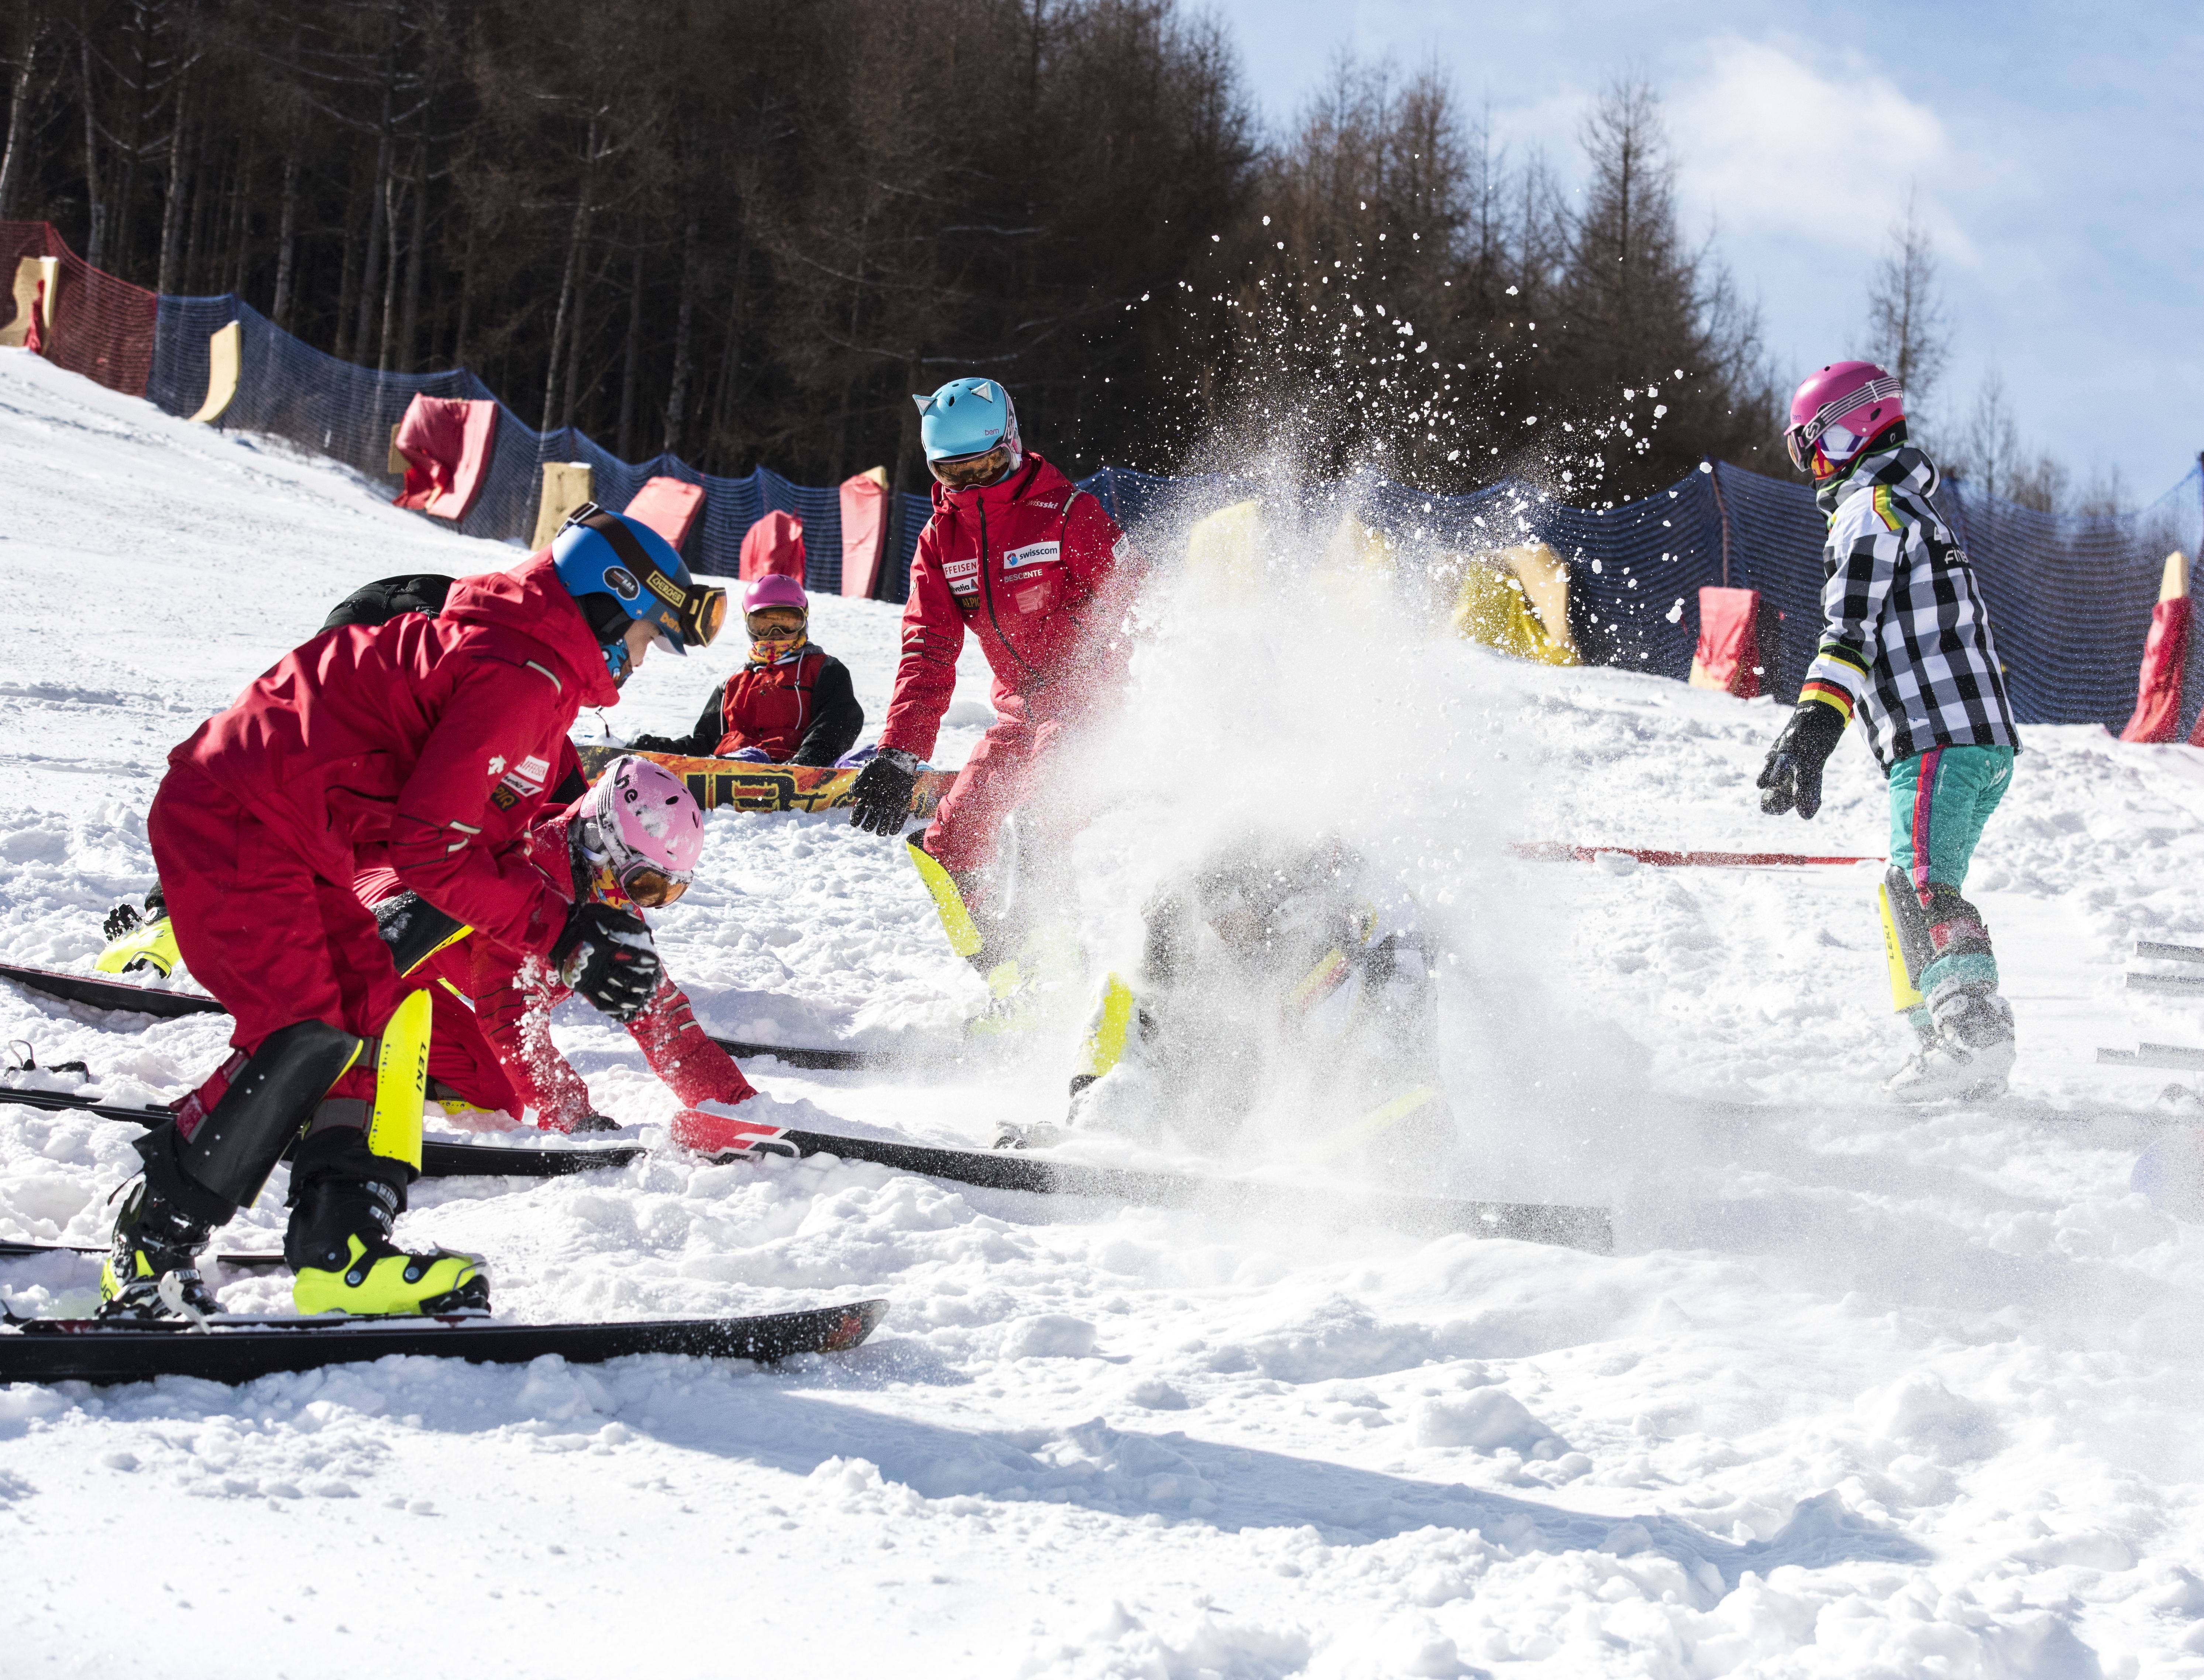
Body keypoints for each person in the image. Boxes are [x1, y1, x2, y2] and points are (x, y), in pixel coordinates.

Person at [100, 505, 726, 1320]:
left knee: (380, 1011)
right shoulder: (521, 671)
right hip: (238, 815)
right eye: (647, 636)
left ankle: (341, 1245)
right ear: (610, 605)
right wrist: (560, 932)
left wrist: (579, 930)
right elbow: (433, 852)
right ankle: (153, 1230)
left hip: (298, 836)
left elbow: (485, 841)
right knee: (306, 1028)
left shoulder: (536, 677)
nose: (643, 659)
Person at [1758, 361, 2021, 1101]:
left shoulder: (1868, 509)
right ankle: (1945, 1042)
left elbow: (1849, 634)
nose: (1810, 467)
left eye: (1811, 448)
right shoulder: (1914, 508)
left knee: (1925, 886)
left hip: (1938, 737)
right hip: (1973, 739)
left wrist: (1813, 726)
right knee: (1907, 885)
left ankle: (1972, 1031)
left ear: (1849, 429)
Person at [844, 377, 1143, 1015]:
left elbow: (1140, 604)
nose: (976, 484)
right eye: (958, 472)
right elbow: (927, 652)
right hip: (1022, 715)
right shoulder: (940, 541)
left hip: (1091, 706)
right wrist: (899, 753)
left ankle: (1069, 999)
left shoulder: (1069, 516)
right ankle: (1018, 988)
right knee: (946, 848)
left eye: (988, 466)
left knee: (1037, 829)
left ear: (1013, 444)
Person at [356, 756, 771, 1155]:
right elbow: (511, 1021)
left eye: (662, 891)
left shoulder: (605, 895)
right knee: (354, 1005)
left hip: (423, 973)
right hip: (371, 943)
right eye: (644, 882)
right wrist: (573, 1116)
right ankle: (333, 1084)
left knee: (492, 1094)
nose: (638, 901)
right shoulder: (525, 890)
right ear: (599, 842)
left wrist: (737, 1106)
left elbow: (661, 1020)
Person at [1010, 833, 1451, 1159]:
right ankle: (1099, 1127)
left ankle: (1328, 1148)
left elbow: (1403, 996)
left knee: (1325, 986)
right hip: (1235, 1102)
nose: (1221, 926)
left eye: (1228, 907)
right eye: (1211, 912)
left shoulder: (1355, 898)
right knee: (1120, 989)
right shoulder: (1192, 897)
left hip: (1364, 1111)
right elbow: (1155, 983)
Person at [628, 574, 864, 765]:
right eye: (763, 624)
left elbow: (837, 723)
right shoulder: (733, 684)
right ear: (749, 627)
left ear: (804, 621)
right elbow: (705, 742)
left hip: (796, 766)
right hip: (731, 765)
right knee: (744, 757)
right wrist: (659, 749)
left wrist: (808, 761)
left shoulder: (824, 669)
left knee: (864, 757)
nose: (776, 633)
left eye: (787, 623)